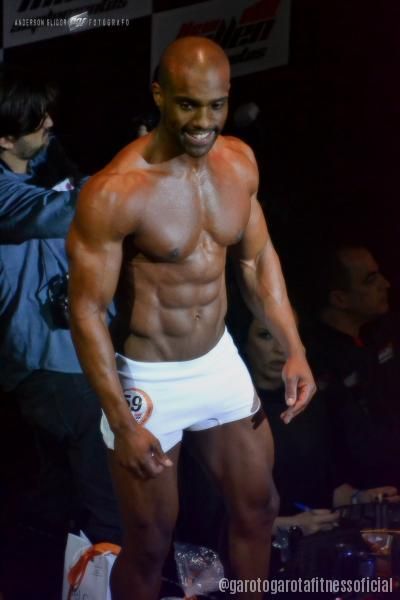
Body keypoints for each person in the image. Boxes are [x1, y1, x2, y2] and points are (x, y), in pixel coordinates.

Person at [67, 36, 316, 600]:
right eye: (188, 105)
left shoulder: (239, 162)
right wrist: (121, 422)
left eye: (216, 105)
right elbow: (86, 311)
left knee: (260, 507)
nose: (204, 121)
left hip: (218, 360)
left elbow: (256, 260)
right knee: (150, 543)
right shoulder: (116, 191)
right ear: (159, 95)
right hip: (149, 380)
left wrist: (294, 347)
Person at [0, 69, 121, 545]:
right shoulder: (6, 194)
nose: (50, 123)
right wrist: (143, 164)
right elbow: (69, 209)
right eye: (37, 120)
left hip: (78, 354)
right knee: (106, 505)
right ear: (5, 138)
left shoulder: (43, 169)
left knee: (69, 499)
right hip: (46, 367)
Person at [245, 316, 400, 539]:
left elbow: (323, 486)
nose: (280, 348)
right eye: (266, 335)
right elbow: (213, 518)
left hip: (317, 540)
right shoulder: (230, 414)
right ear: (243, 341)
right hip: (262, 552)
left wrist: (358, 498)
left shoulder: (308, 401)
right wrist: (290, 526)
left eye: (288, 336)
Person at [303, 243, 400, 489]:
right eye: (370, 280)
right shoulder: (313, 356)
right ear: (340, 298)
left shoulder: (384, 330)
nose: (385, 284)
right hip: (359, 493)